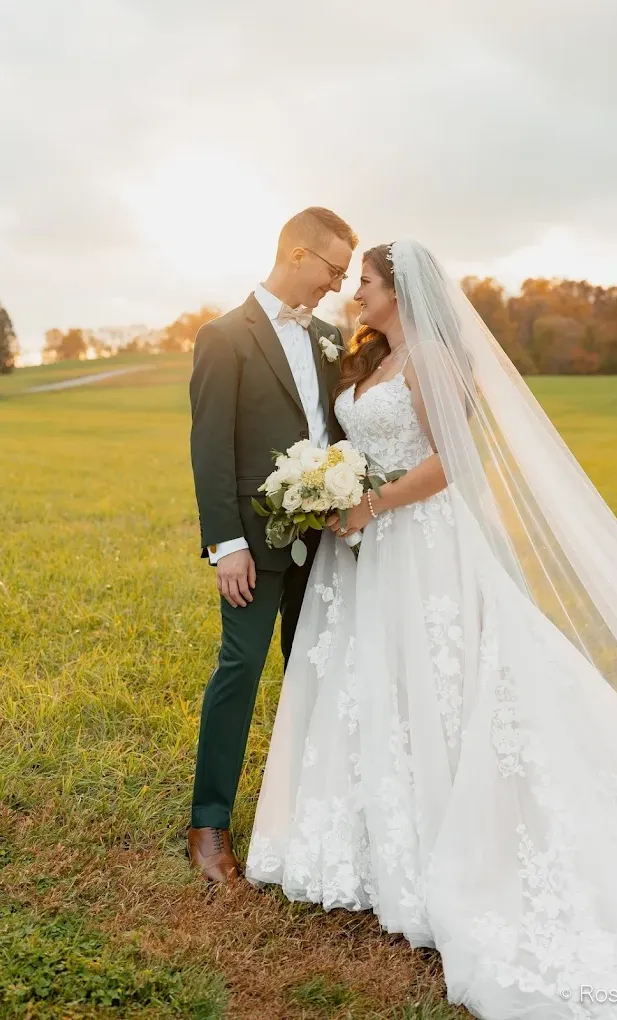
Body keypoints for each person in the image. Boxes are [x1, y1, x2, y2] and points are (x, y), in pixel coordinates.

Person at [245, 239, 617, 1018]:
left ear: (398, 288)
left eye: (366, 282)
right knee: (377, 682)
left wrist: (367, 502)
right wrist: (332, 488)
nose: (356, 293)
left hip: (421, 542)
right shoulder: (371, 356)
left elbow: (450, 462)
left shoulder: (434, 358)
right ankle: (377, 831)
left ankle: (456, 829)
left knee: (448, 681)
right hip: (366, 548)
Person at [187, 207, 357, 882]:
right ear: (295, 254)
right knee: (240, 671)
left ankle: (306, 819)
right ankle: (208, 824)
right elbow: (210, 449)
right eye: (332, 269)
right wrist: (227, 544)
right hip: (253, 545)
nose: (337, 285)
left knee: (314, 671)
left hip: (326, 544)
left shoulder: (328, 335)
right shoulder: (223, 337)